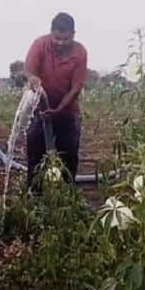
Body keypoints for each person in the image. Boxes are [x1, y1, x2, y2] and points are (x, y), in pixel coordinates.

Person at [24, 12, 88, 193]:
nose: (60, 43)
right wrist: (33, 79)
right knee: (35, 155)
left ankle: (68, 195)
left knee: (68, 155)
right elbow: (29, 69)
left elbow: (76, 87)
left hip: (67, 111)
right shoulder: (40, 44)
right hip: (39, 110)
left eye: (65, 39)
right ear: (51, 33)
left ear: (73, 35)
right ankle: (34, 195)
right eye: (56, 38)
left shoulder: (79, 52)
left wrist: (59, 109)